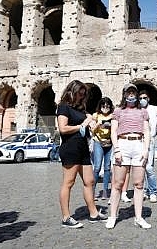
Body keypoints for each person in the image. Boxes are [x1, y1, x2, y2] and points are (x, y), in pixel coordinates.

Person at [56, 80, 107, 228]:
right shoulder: (64, 107)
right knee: (69, 182)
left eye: (83, 95)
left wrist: (94, 124)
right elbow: (63, 129)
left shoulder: (81, 109)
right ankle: (66, 217)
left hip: (83, 148)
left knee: (89, 181)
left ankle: (93, 213)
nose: (81, 97)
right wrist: (81, 125)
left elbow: (89, 126)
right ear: (72, 92)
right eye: (79, 93)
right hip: (70, 148)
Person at [106, 83, 151, 229]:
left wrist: (146, 149)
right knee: (117, 184)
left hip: (138, 144)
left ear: (136, 94)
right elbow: (113, 131)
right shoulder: (118, 111)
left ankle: (138, 217)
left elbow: (147, 131)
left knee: (139, 184)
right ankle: (112, 216)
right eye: (128, 92)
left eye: (133, 92)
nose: (131, 94)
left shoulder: (143, 111)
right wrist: (117, 149)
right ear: (124, 94)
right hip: (123, 144)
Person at [91, 97, 114, 201]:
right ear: (100, 106)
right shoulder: (96, 115)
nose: (105, 107)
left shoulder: (113, 116)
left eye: (107, 105)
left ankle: (105, 191)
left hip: (109, 142)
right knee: (97, 167)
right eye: (103, 105)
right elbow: (92, 130)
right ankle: (92, 191)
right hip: (98, 142)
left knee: (107, 168)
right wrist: (99, 124)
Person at [138, 90, 157, 203]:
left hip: (150, 140)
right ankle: (143, 190)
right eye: (140, 98)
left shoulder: (154, 109)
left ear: (148, 98)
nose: (142, 100)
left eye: (144, 98)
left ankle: (153, 192)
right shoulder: (137, 110)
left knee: (149, 167)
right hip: (139, 141)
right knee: (141, 166)